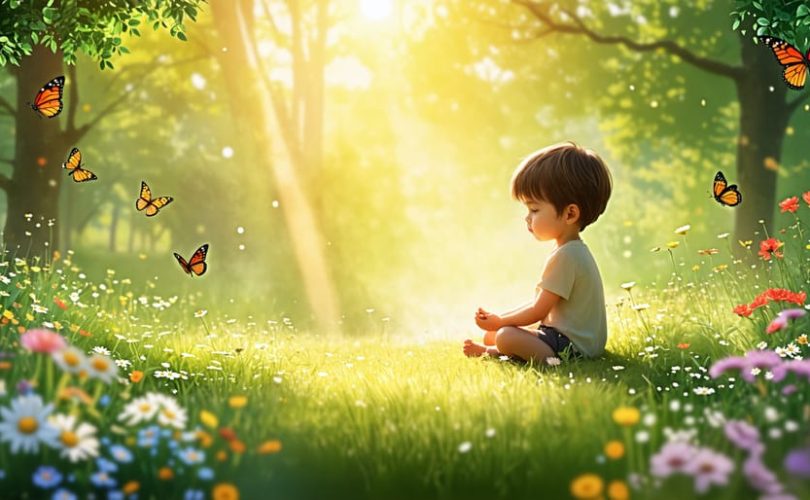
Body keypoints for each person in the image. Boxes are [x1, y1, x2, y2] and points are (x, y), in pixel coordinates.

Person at [463, 142, 612, 363]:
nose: (527, 218)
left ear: (570, 214)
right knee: (493, 334)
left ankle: (494, 353)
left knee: (504, 335)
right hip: (574, 338)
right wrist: (500, 320)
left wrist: (500, 322)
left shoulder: (566, 256)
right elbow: (541, 308)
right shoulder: (572, 250)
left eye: (534, 210)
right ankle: (497, 346)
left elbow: (537, 311)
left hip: (573, 347)